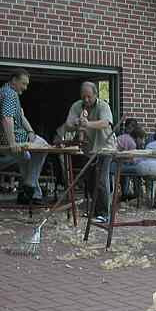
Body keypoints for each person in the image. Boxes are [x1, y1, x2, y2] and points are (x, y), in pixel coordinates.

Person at [0, 68, 50, 204]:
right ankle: (30, 186)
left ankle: (28, 195)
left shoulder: (1, 92)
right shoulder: (10, 94)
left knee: (25, 159)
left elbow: (21, 115)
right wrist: (12, 142)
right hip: (8, 139)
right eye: (23, 84)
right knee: (44, 146)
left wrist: (31, 132)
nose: (25, 88)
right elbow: (7, 118)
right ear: (14, 80)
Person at [63, 81, 116, 223]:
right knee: (91, 181)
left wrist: (88, 124)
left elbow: (106, 123)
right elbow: (67, 125)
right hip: (88, 149)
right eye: (83, 97)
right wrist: (76, 123)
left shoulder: (103, 106)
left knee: (101, 181)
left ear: (96, 95)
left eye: (89, 97)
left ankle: (104, 214)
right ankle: (94, 211)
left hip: (105, 147)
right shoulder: (77, 106)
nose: (86, 100)